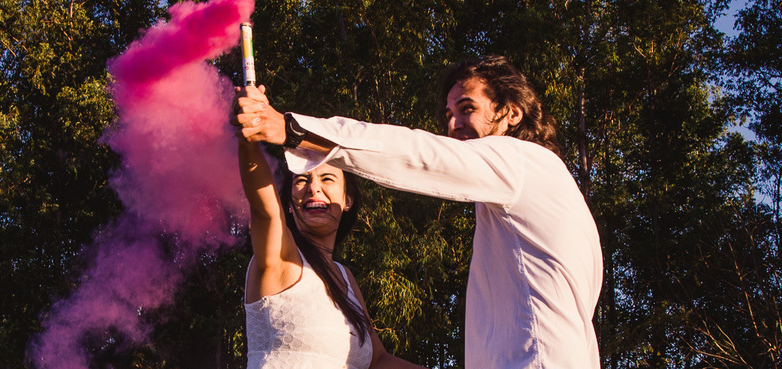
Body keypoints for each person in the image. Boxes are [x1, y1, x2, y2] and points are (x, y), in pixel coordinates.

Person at [234, 56, 603, 369]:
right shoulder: (551, 194)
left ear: (510, 113)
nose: (453, 124)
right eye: (449, 113)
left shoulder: (520, 162)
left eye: (467, 108)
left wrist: (292, 129)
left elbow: (418, 153)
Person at [236, 85, 425, 369]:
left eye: (327, 179)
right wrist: (249, 136)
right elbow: (265, 211)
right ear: (289, 202)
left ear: (347, 199)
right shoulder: (281, 258)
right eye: (301, 180)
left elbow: (379, 361)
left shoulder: (345, 278)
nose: (313, 188)